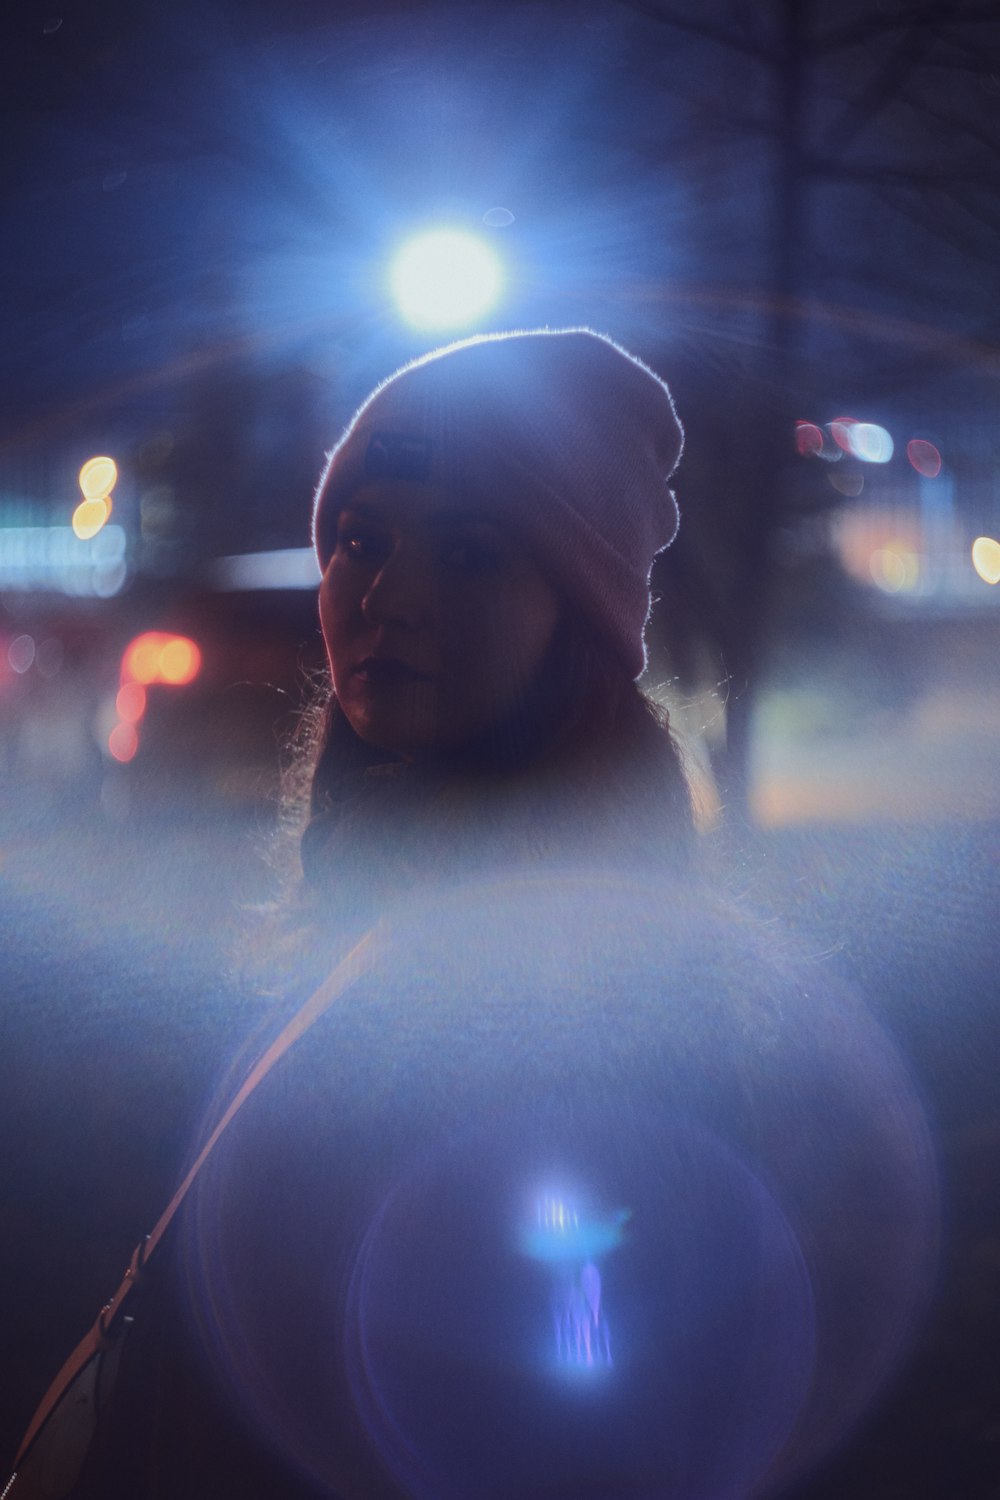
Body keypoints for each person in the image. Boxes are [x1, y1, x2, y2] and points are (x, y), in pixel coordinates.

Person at [15, 330, 937, 1500]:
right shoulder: (401, 882)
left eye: (468, 551)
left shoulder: (569, 976)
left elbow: (581, 1415)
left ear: (578, 611)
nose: (390, 596)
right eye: (362, 542)